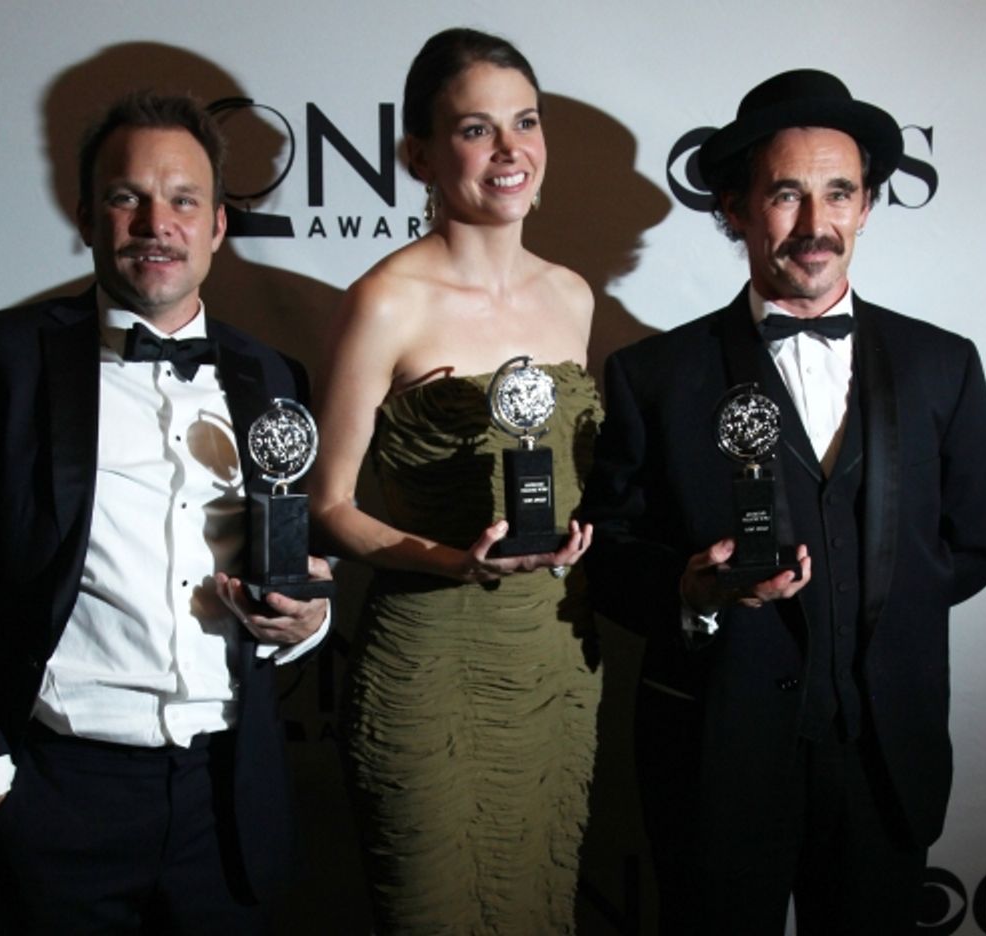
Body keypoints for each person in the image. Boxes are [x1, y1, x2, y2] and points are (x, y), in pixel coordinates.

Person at [581, 70, 986, 935]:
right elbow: (607, 555)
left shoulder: (944, 365)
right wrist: (694, 593)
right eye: (786, 195)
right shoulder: (654, 377)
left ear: (867, 207)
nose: (816, 227)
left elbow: (975, 545)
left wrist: (872, 607)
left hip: (886, 755)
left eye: (838, 193)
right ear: (735, 209)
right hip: (716, 755)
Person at [0, 91, 331, 934]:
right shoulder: (3, 359)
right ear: (87, 216)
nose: (154, 222)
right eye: (126, 196)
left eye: (183, 200)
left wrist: (308, 620)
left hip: (227, 798)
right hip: (58, 798)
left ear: (215, 227)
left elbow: (297, 565)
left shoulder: (272, 376)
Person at [307, 27, 601, 934]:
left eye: (526, 122)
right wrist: (451, 561)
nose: (511, 151)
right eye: (479, 129)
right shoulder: (386, 299)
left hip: (553, 661)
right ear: (421, 155)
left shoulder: (574, 295)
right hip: (431, 661)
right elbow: (326, 507)